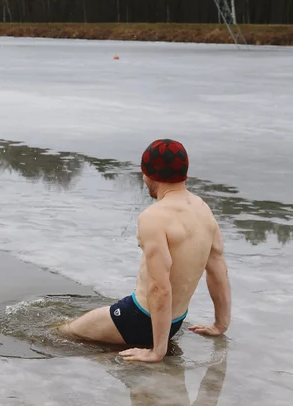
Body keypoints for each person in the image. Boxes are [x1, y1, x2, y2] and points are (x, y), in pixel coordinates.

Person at [57, 139, 231, 363]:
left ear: (149, 174)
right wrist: (220, 324)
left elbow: (159, 287)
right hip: (174, 322)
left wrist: (157, 351)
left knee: (63, 331)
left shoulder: (154, 216)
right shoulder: (202, 209)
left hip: (139, 319)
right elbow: (218, 270)